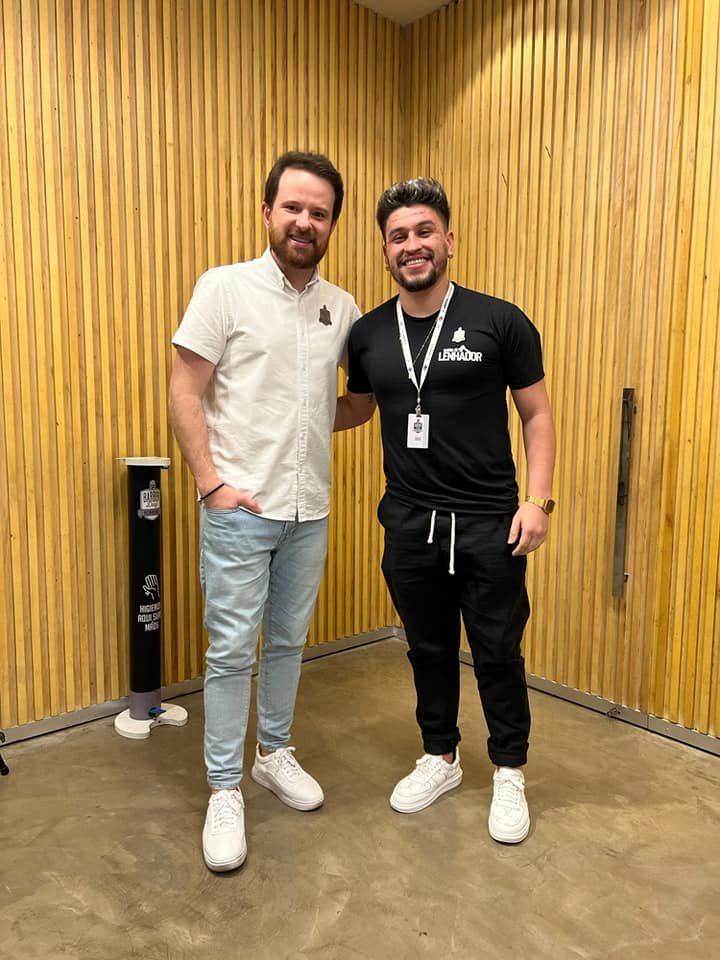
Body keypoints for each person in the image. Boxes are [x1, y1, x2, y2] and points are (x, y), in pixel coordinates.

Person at [335, 177, 555, 843]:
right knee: (427, 649)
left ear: (449, 240)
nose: (412, 245)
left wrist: (537, 500)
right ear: (385, 250)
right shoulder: (370, 333)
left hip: (490, 524)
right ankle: (440, 756)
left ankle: (509, 770)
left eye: (424, 231)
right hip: (410, 522)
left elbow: (537, 414)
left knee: (497, 653)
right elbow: (358, 408)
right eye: (398, 236)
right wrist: (277, 407)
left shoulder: (500, 321)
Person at [169, 151, 365, 872]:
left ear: (332, 224)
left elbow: (352, 403)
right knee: (230, 653)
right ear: (267, 212)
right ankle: (225, 788)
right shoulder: (224, 288)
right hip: (239, 510)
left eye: (319, 212)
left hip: (308, 510)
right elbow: (185, 389)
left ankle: (272, 753)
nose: (304, 222)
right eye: (293, 208)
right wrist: (211, 484)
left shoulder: (342, 307)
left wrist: (315, 418)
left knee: (286, 643)